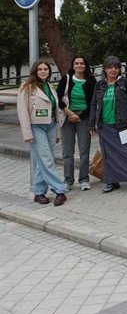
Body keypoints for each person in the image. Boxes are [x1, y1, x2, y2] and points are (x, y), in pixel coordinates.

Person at [17, 60, 67, 206]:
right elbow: (22, 112)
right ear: (35, 71)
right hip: (36, 127)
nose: (43, 71)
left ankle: (39, 192)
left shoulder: (50, 87)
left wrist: (57, 133)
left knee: (44, 159)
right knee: (46, 159)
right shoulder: (26, 88)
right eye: (40, 69)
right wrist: (27, 133)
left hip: (50, 126)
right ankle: (59, 190)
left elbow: (55, 112)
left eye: (46, 69)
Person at [89, 56, 127, 196]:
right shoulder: (99, 85)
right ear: (105, 69)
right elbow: (94, 105)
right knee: (108, 155)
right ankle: (111, 181)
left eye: (116, 67)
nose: (113, 70)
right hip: (105, 127)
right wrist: (91, 125)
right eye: (110, 67)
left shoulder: (125, 83)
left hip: (122, 126)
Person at [57, 55, 96, 191]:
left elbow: (93, 102)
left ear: (85, 66)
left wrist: (79, 117)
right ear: (73, 65)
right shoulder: (66, 79)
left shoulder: (91, 81)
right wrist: (70, 113)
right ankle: (68, 180)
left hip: (83, 118)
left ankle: (84, 179)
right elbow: (59, 98)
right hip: (68, 117)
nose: (79, 65)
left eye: (82, 63)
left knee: (84, 151)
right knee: (67, 152)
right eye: (77, 63)